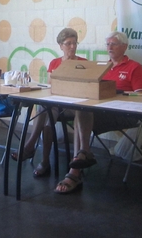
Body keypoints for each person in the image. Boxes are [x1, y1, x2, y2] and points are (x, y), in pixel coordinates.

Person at [54, 31, 142, 194]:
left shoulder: (135, 67)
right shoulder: (102, 67)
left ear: (124, 47)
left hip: (122, 114)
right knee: (80, 109)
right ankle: (81, 157)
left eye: (114, 44)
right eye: (108, 44)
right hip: (99, 112)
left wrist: (117, 94)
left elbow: (141, 96)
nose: (110, 47)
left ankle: (76, 168)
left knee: (82, 112)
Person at [11, 28, 86, 177]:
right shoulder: (55, 62)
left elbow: (85, 87)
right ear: (61, 46)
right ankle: (43, 159)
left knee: (47, 111)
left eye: (74, 43)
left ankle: (32, 149)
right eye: (68, 43)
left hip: (75, 106)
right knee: (46, 110)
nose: (72, 46)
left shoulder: (83, 63)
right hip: (57, 103)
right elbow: (51, 86)